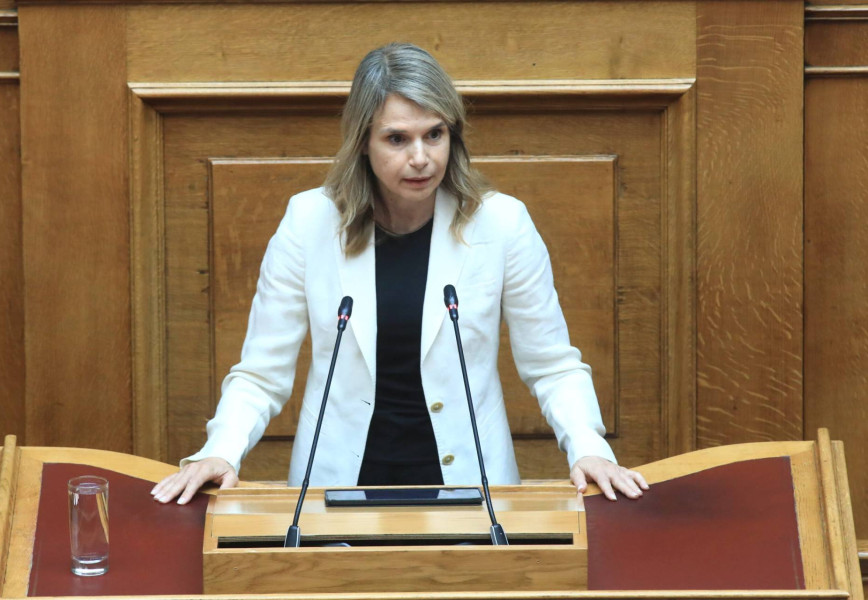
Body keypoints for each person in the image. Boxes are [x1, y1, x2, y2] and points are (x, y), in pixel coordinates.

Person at [151, 42, 648, 506]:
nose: (421, 158)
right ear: (363, 143)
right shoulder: (309, 222)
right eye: (397, 139)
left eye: (435, 134)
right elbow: (262, 372)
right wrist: (221, 450)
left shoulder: (501, 223)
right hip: (335, 492)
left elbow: (552, 365)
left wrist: (588, 446)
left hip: (472, 490)